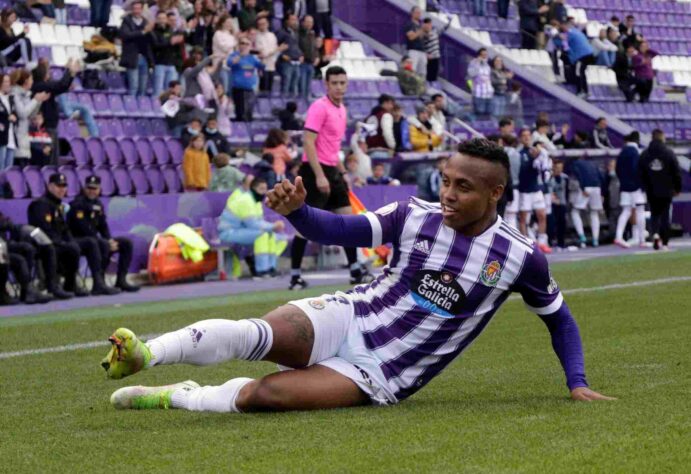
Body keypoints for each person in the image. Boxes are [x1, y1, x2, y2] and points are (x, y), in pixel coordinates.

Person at [101, 138, 614, 414]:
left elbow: (560, 321)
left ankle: (177, 395)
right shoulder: (414, 213)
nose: (450, 194)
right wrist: (299, 213)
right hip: (351, 315)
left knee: (268, 396)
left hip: (384, 371)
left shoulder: (522, 256)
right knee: (258, 334)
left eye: (464, 187)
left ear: (495, 193)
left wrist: (577, 383)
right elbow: (341, 230)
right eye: (446, 181)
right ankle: (148, 352)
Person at [289, 66, 373, 291]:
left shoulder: (342, 109)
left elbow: (333, 147)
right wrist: (319, 176)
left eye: (342, 83)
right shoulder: (319, 107)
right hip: (314, 170)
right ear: (326, 84)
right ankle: (295, 276)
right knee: (305, 226)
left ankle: (355, 270)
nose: (338, 87)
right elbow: (308, 143)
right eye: (334, 83)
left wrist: (343, 172)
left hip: (333, 171)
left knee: (348, 221)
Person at [67, 176, 139, 293]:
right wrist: (107, 242)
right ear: (84, 188)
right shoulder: (77, 204)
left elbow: (103, 226)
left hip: (95, 241)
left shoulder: (98, 204)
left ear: (99, 189)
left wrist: (110, 240)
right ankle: (98, 282)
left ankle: (121, 280)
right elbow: (83, 228)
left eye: (94, 188)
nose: (92, 191)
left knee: (126, 243)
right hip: (79, 240)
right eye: (89, 188)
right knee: (100, 243)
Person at [27, 173, 91, 297]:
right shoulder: (40, 204)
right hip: (44, 244)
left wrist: (70, 240)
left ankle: (74, 284)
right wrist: (62, 243)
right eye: (58, 186)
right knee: (69, 249)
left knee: (86, 244)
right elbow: (43, 229)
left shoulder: (57, 205)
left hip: (58, 243)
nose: (62, 189)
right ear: (50, 186)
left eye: (64, 186)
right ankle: (54, 285)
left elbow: (64, 228)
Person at [217, 178, 287, 277]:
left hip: (242, 231)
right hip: (229, 232)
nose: (264, 192)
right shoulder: (245, 200)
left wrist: (272, 228)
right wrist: (273, 226)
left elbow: (259, 222)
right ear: (253, 189)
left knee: (281, 239)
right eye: (261, 189)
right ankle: (261, 271)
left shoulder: (256, 202)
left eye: (265, 189)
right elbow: (252, 224)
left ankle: (271, 268)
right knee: (262, 235)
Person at [638, 130, 682, 251]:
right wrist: (677, 188)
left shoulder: (645, 154)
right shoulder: (669, 153)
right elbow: (676, 172)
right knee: (665, 215)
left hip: (651, 190)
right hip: (667, 189)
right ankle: (665, 242)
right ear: (662, 137)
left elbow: (640, 172)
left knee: (654, 214)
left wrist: (644, 186)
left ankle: (655, 234)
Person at [31, 59, 78, 165]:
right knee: (50, 161)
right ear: (43, 75)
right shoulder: (40, 86)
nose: (50, 74)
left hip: (49, 127)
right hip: (45, 129)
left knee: (53, 160)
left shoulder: (42, 86)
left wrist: (67, 84)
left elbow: (60, 87)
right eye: (48, 72)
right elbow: (60, 85)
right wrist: (70, 72)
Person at [517, 129, 551, 252]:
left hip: (536, 190)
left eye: (528, 136)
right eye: (524, 136)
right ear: (520, 138)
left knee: (542, 215)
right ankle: (525, 244)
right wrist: (532, 159)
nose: (526, 138)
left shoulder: (538, 151)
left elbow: (544, 169)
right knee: (523, 219)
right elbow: (522, 171)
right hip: (524, 191)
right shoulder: (520, 153)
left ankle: (542, 242)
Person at [10, 69, 49, 166]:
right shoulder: (15, 95)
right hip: (16, 136)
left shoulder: (26, 95)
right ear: (25, 81)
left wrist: (39, 101)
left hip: (24, 137)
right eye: (31, 79)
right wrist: (35, 100)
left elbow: (31, 115)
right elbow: (22, 113)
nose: (32, 82)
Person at [613, 132, 645, 248]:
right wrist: (640, 183)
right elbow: (636, 169)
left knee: (626, 211)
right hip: (635, 186)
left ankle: (618, 236)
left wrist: (623, 180)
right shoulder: (635, 152)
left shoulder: (622, 152)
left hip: (624, 186)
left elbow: (617, 169)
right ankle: (642, 239)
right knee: (640, 210)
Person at [119, 1, 155, 97]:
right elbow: (125, 35)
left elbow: (152, 40)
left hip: (144, 57)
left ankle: (141, 107)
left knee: (142, 87)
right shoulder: (126, 21)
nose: (136, 11)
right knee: (133, 85)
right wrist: (143, 32)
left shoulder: (146, 22)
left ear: (142, 10)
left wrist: (151, 31)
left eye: (138, 9)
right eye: (134, 9)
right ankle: (131, 106)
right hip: (132, 57)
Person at [570, 155, 603, 248]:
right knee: (594, 213)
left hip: (586, 187)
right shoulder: (594, 163)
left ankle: (582, 236)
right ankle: (595, 239)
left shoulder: (576, 163)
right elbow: (601, 176)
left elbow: (578, 175)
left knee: (575, 212)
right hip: (597, 187)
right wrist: (602, 192)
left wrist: (583, 186)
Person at [228, 38, 264, 121]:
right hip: (238, 87)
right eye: (242, 43)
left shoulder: (252, 58)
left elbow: (262, 66)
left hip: (250, 87)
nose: (244, 45)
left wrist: (262, 57)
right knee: (241, 112)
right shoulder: (234, 55)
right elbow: (230, 63)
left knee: (249, 112)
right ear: (239, 45)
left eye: (246, 44)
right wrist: (241, 54)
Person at [151, 11, 184, 98]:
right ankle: (157, 109)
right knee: (158, 91)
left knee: (171, 91)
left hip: (171, 63)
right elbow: (156, 45)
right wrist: (170, 42)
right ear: (157, 20)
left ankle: (168, 109)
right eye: (160, 18)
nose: (162, 20)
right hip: (159, 63)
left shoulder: (171, 30)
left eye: (164, 18)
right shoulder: (154, 31)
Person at [561, 22, 595, 97]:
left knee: (578, 72)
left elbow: (565, 47)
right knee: (581, 71)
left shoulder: (569, 34)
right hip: (588, 54)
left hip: (582, 56)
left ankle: (582, 91)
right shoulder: (577, 32)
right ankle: (585, 90)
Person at [276, 14, 303, 97]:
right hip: (286, 62)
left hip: (296, 62)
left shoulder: (296, 33)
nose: (295, 22)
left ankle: (292, 106)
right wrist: (282, 55)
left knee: (294, 86)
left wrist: (301, 55)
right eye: (292, 20)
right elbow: (275, 45)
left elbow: (297, 46)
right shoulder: (281, 32)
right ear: (287, 21)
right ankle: (284, 105)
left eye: (296, 20)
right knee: (286, 85)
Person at [255, 16, 282, 94]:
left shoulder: (272, 35)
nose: (262, 26)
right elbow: (263, 53)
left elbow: (276, 50)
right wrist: (274, 51)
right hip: (262, 65)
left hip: (272, 65)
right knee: (263, 88)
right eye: (260, 24)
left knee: (270, 88)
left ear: (267, 24)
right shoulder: (257, 36)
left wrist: (274, 54)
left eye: (264, 23)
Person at [212, 14, 237, 93]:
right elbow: (225, 47)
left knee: (229, 89)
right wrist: (235, 42)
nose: (230, 24)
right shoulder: (218, 34)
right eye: (228, 22)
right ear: (222, 23)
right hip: (220, 65)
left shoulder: (231, 36)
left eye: (231, 22)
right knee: (223, 89)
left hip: (229, 66)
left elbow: (232, 51)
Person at [421, 17, 449, 84]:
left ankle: (432, 87)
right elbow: (420, 46)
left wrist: (449, 21)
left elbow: (444, 29)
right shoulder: (422, 34)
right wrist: (425, 54)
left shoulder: (435, 31)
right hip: (428, 58)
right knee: (427, 75)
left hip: (436, 57)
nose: (428, 26)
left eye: (429, 24)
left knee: (434, 74)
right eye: (427, 24)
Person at [548, 160, 568, 250]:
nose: (559, 170)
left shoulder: (565, 178)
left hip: (562, 203)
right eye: (557, 168)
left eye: (560, 168)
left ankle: (561, 242)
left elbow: (567, 191)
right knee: (552, 223)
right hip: (552, 204)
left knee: (562, 223)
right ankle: (551, 241)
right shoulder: (549, 178)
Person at [467, 48, 493, 119]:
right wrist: (477, 63)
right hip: (478, 94)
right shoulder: (473, 63)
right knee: (479, 113)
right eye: (483, 55)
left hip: (488, 94)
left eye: (486, 55)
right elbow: (471, 74)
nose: (485, 57)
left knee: (488, 114)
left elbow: (489, 78)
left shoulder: (487, 66)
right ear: (479, 55)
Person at [502, 134, 521, 229]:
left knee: (503, 217)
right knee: (512, 217)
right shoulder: (518, 154)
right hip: (515, 187)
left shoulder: (501, 153)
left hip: (503, 187)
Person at [298, 15, 318, 99]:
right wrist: (300, 55)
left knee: (308, 87)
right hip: (302, 63)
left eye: (311, 22)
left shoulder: (312, 34)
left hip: (311, 63)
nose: (310, 24)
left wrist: (317, 56)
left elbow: (314, 47)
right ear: (303, 22)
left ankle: (306, 104)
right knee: (301, 87)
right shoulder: (298, 33)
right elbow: (296, 46)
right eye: (308, 22)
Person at [0, 73, 17, 170]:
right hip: (1, 137)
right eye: (5, 81)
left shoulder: (10, 98)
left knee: (8, 170)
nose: (7, 84)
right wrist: (8, 117)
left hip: (10, 137)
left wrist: (14, 116)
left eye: (9, 82)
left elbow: (15, 113)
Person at [403, 6, 427, 77]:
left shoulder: (420, 25)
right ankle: (411, 87)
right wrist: (421, 30)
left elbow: (422, 38)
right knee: (411, 71)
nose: (419, 14)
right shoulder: (409, 24)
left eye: (419, 13)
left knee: (422, 73)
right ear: (412, 13)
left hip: (422, 52)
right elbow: (411, 37)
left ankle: (421, 87)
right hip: (413, 51)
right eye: (417, 12)